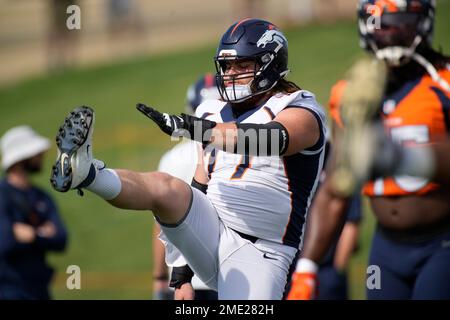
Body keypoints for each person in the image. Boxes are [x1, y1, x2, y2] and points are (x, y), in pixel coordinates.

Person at [50, 18, 327, 299]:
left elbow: (270, 139)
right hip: (212, 228)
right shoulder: (210, 111)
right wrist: (181, 270)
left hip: (264, 251)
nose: (231, 74)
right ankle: (89, 174)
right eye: (227, 66)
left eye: (242, 66)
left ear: (270, 62)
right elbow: (200, 186)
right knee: (165, 187)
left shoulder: (301, 108)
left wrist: (193, 128)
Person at [288, 0, 450, 300]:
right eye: (380, 24)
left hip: (441, 242)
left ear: (421, 24)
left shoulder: (443, 84)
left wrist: (400, 158)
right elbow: (338, 186)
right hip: (386, 247)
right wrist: (307, 268)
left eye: (399, 22)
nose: (388, 33)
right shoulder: (351, 94)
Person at [153, 73, 220, 300]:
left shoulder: (172, 159)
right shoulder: (237, 153)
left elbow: (161, 225)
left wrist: (159, 277)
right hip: (231, 272)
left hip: (185, 280)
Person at [0, 126, 68, 300]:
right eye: (35, 153)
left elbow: (61, 239)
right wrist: (43, 233)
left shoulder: (42, 197)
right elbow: (6, 242)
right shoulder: (2, 194)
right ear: (21, 159)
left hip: (39, 289)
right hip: (9, 290)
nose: (41, 156)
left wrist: (32, 235)